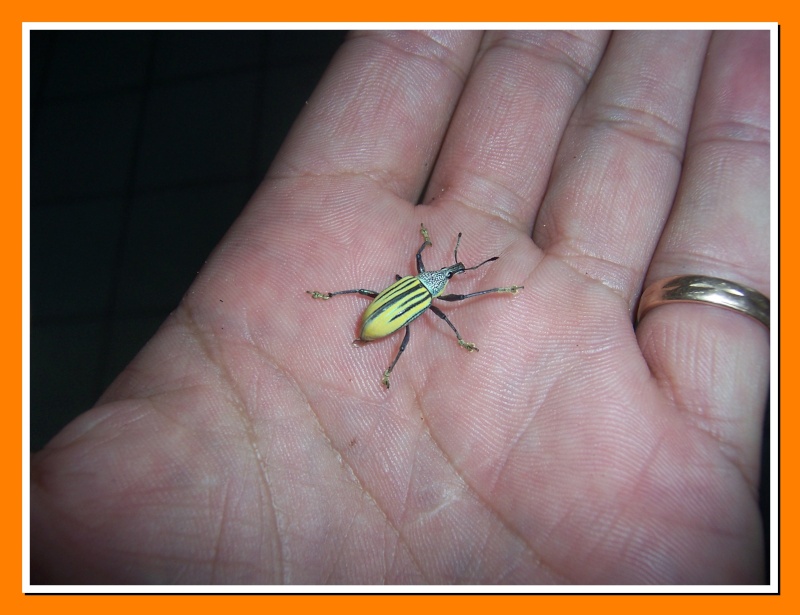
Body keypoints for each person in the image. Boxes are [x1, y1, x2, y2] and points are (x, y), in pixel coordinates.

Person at [31, 29, 770, 584]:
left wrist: (478, 277)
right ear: (432, 271)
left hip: (386, 312)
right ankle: (368, 342)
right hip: (381, 314)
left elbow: (449, 288)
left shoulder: (429, 289)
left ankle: (373, 344)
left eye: (446, 270)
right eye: (444, 265)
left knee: (412, 324)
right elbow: (432, 289)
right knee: (398, 323)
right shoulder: (421, 289)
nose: (445, 273)